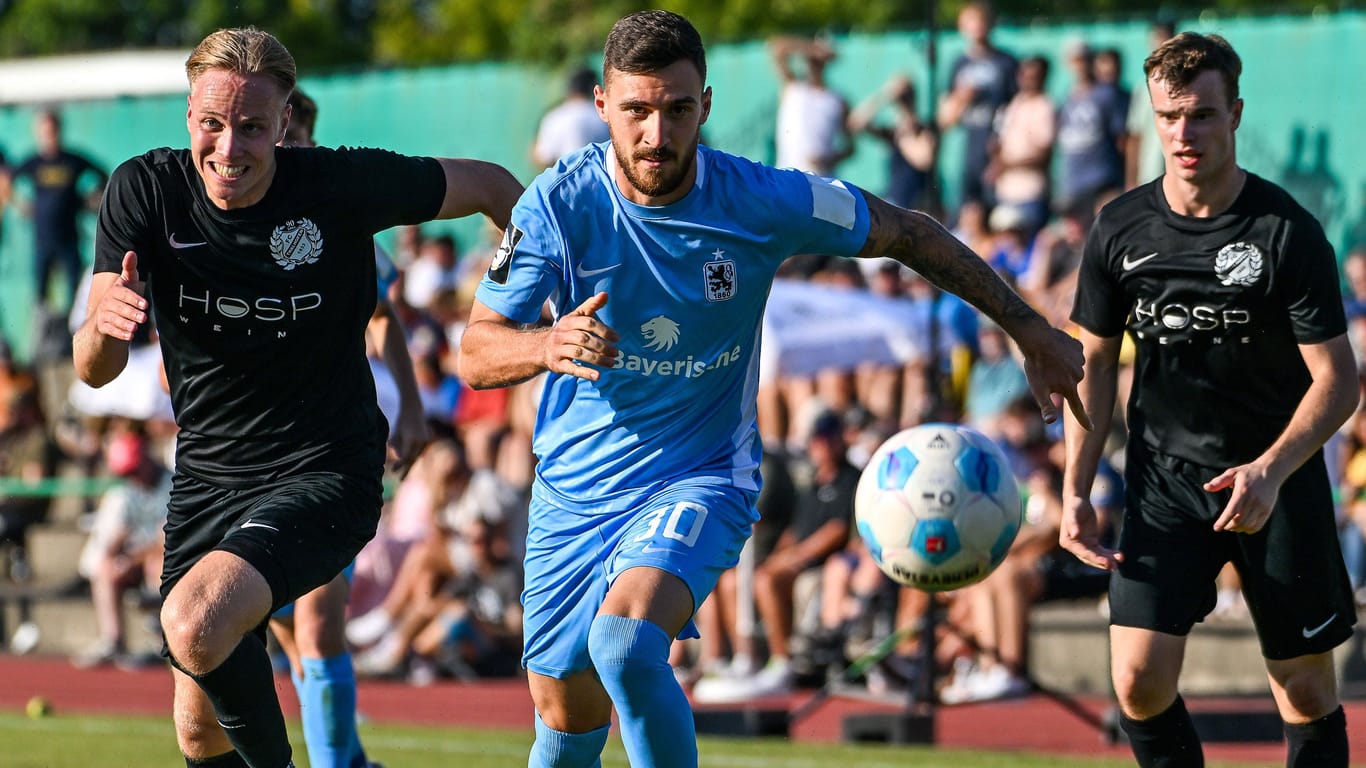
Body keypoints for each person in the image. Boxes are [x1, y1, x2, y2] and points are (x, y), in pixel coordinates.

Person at [457, 11, 1086, 768]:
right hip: (572, 491)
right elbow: (475, 350)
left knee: (624, 644)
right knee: (564, 714)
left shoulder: (760, 200)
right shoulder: (557, 205)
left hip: (701, 476)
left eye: (677, 110)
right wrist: (544, 343)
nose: (657, 134)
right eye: (637, 111)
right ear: (601, 106)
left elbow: (909, 232)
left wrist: (1028, 329)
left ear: (707, 105)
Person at [72, 27, 522, 768]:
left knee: (200, 621)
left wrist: (521, 300)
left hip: (327, 468)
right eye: (212, 125)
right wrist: (104, 324)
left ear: (286, 124)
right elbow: (93, 368)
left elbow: (497, 188)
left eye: (251, 127)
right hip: (208, 480)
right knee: (197, 731)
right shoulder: (143, 190)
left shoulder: (338, 188)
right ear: (189, 113)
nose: (228, 149)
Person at [1063, 32, 1358, 767]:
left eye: (1201, 115)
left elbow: (1339, 381)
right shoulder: (1118, 228)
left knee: (1305, 692)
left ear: (1235, 114)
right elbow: (1092, 368)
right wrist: (1074, 486)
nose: (1183, 134)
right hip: (1165, 481)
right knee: (1136, 681)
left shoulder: (1286, 232)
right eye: (1169, 116)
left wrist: (1272, 467)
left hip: (1275, 481)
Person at [262, 85, 427, 768]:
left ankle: (335, 762)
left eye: (297, 132)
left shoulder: (336, 217)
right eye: (279, 132)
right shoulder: (219, 220)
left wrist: (411, 406)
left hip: (331, 446)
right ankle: (347, 752)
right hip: (247, 454)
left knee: (319, 615)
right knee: (284, 623)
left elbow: (383, 314)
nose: (289, 144)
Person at [72, 425, 170, 669]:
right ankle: (113, 641)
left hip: (167, 557)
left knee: (156, 563)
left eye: (135, 470)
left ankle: (162, 643)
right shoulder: (127, 489)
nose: (132, 477)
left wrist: (131, 558)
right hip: (138, 555)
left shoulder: (171, 484)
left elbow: (165, 539)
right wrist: (113, 555)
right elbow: (119, 533)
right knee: (106, 569)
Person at [10, 109, 108, 317]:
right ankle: (44, 338)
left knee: (74, 287)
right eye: (45, 132)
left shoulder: (72, 160)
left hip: (69, 238)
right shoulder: (33, 163)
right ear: (38, 133)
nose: (49, 136)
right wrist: (22, 206)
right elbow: (9, 183)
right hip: (42, 239)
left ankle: (74, 334)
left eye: (52, 131)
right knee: (41, 291)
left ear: (59, 131)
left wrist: (88, 199)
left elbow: (102, 174)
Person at [938, 1, 1017, 210]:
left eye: (982, 20)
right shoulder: (959, 64)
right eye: (971, 20)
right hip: (970, 149)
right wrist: (961, 98)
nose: (977, 26)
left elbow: (1016, 108)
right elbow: (945, 118)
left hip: (997, 149)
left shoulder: (1006, 62)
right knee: (968, 210)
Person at [769, 35, 854, 176]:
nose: (813, 64)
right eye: (811, 60)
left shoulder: (838, 99)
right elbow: (777, 47)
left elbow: (850, 148)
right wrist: (811, 48)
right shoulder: (792, 88)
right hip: (787, 179)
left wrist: (828, 160)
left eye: (817, 61)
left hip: (823, 182)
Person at [532, 67, 611, 170]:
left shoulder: (555, 116)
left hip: (566, 181)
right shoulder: (605, 114)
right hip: (603, 182)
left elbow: (543, 158)